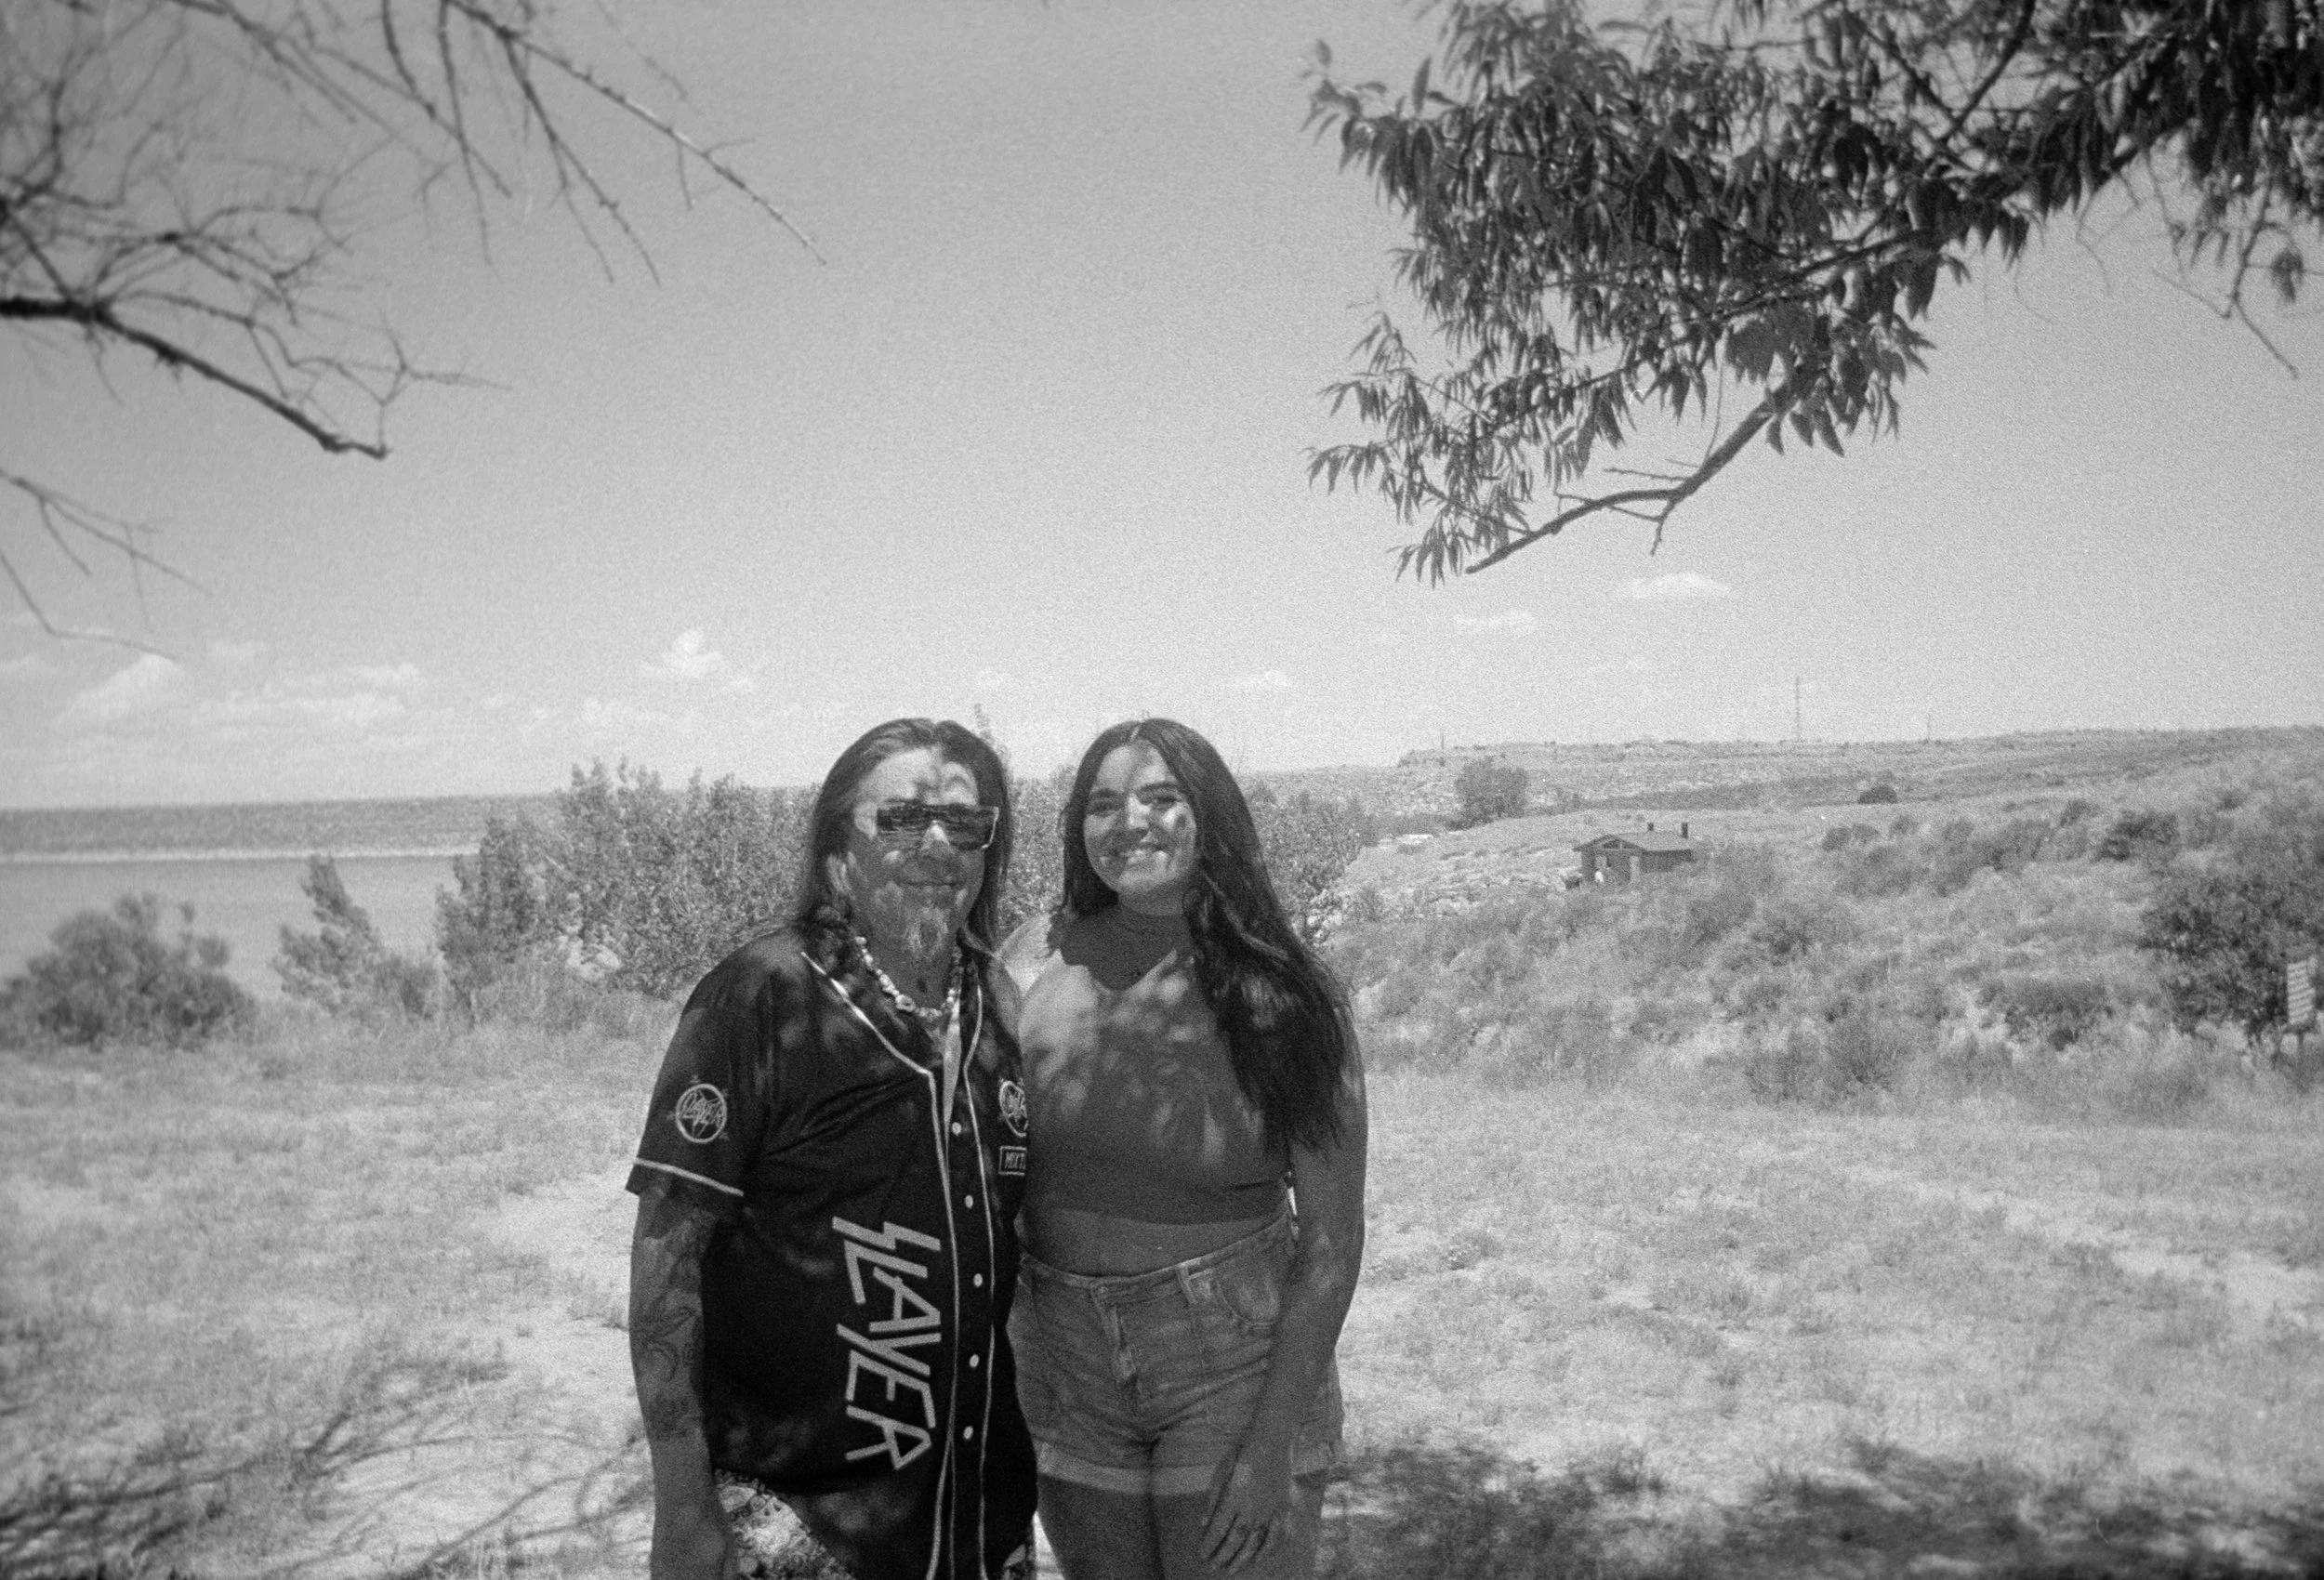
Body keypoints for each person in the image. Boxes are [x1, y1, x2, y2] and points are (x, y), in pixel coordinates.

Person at [627, 718, 1038, 1580]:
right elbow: (669, 1259)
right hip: (805, 1527)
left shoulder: (1000, 1000)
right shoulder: (762, 997)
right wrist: (684, 1504)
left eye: (966, 823)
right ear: (835, 850)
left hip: (975, 1514)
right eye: (900, 818)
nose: (936, 842)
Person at [1000, 718, 1367, 1580]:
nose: (1131, 822)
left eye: (1162, 798)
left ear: (1211, 817)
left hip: (1230, 1360)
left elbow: (1332, 1240)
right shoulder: (1032, 958)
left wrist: (1272, 1447)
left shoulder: (1284, 993)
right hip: (1060, 1356)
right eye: (1102, 804)